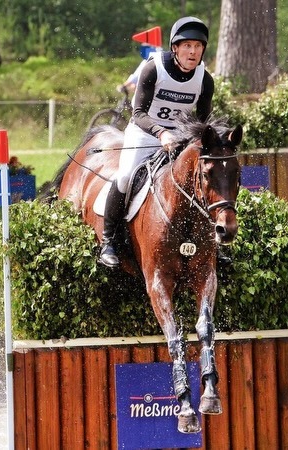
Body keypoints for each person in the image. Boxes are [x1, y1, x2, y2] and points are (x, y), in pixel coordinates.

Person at [99, 16, 215, 268]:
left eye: (198, 46)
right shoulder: (153, 68)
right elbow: (138, 112)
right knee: (126, 176)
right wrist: (162, 133)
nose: (193, 51)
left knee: (202, 180)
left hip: (181, 139)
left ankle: (212, 242)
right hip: (145, 132)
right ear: (175, 47)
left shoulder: (205, 79)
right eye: (187, 46)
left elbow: (203, 122)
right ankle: (108, 241)